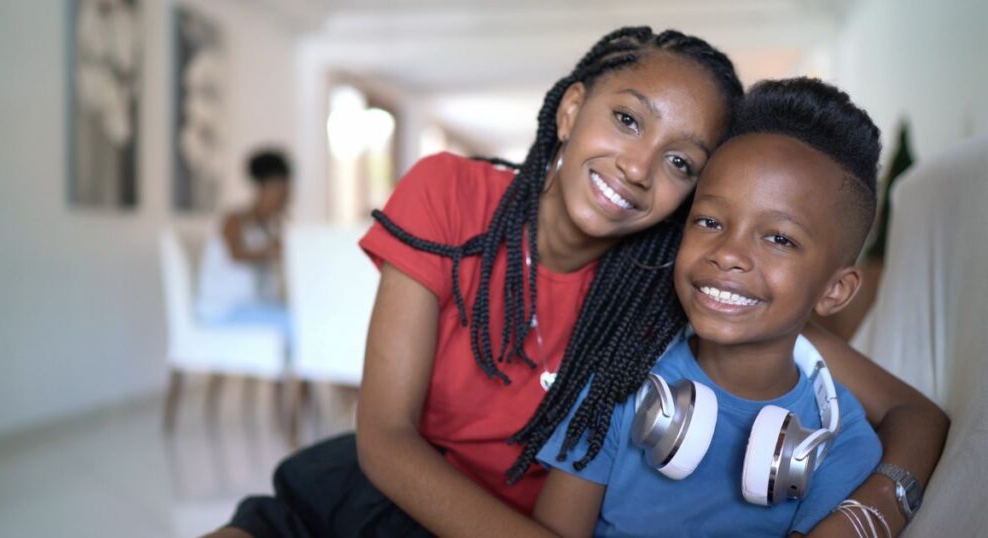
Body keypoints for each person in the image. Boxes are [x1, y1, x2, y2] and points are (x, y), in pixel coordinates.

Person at [206, 27, 946, 538]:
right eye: (627, 120)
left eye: (682, 162)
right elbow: (386, 437)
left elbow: (914, 417)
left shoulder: (678, 278)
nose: (638, 165)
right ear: (570, 109)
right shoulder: (450, 195)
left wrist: (873, 509)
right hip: (383, 490)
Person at [533, 78, 884, 537]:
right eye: (710, 221)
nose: (728, 253)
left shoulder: (844, 447)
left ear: (835, 290)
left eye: (779, 238)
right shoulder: (617, 381)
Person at [196, 149, 291, 336]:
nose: (285, 198)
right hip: (224, 310)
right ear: (264, 187)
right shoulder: (234, 220)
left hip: (255, 307)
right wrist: (271, 251)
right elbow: (235, 254)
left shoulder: (270, 227)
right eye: (281, 191)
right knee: (296, 324)